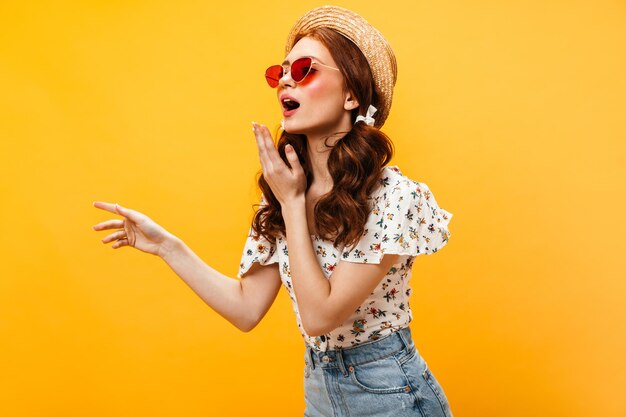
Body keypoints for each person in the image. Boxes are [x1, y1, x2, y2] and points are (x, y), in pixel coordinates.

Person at [92, 5, 454, 417]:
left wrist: (292, 204)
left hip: (390, 390)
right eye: (279, 72)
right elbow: (246, 309)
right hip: (319, 390)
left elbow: (320, 316)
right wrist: (168, 247)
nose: (284, 78)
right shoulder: (285, 190)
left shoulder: (392, 197)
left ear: (352, 94)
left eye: (304, 69)